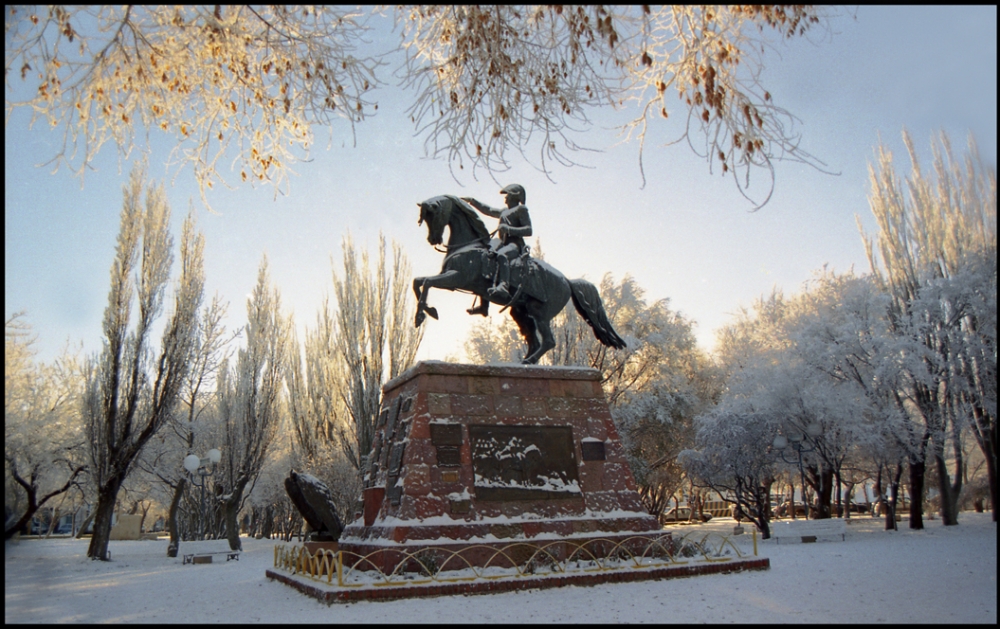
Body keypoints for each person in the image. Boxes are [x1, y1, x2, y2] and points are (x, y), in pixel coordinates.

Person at [461, 184, 533, 309]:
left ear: (514, 196)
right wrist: (472, 201)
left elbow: (528, 230)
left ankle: (504, 286)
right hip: (502, 242)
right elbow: (488, 210)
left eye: (508, 195)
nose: (505, 198)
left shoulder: (521, 210)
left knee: (501, 255)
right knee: (485, 255)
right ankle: (484, 305)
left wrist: (508, 229)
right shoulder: (504, 211)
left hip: (514, 244)